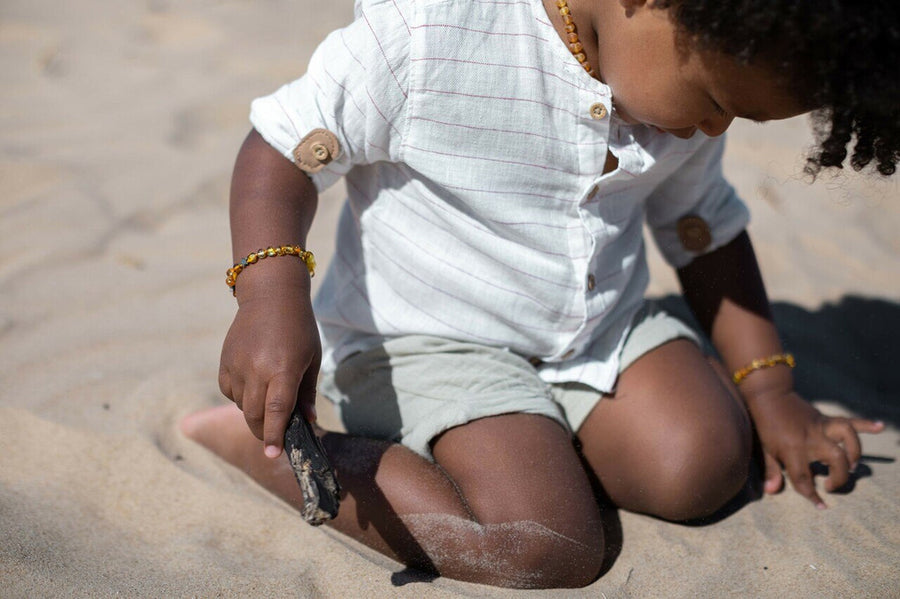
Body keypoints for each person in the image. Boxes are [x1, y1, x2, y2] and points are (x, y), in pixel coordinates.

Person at [181, 0, 897, 588]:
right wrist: (269, 295)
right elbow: (280, 149)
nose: (713, 128)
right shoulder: (431, 32)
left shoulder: (693, 70)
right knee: (546, 541)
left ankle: (543, 435)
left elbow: (702, 228)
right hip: (429, 337)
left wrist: (770, 394)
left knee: (701, 463)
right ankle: (269, 456)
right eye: (714, 100)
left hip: (591, 330)